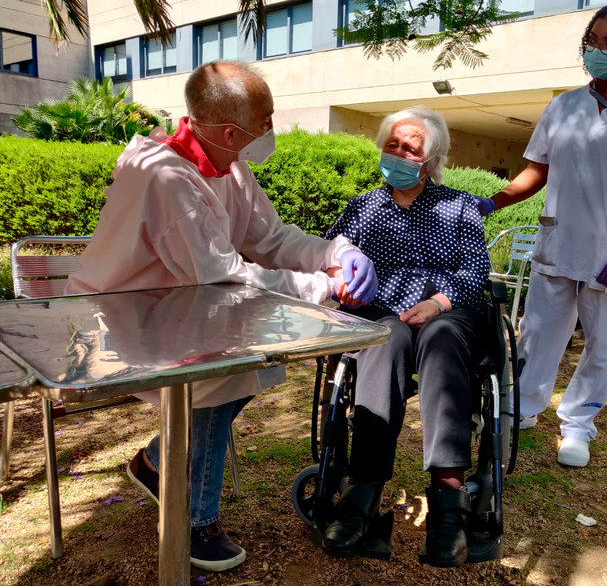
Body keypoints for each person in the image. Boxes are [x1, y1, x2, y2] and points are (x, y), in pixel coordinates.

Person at [64, 61, 377, 572]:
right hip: (115, 321)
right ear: (232, 131)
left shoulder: (230, 165)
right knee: (220, 376)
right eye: (267, 119)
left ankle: (159, 460)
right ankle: (194, 518)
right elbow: (221, 274)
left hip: (179, 308)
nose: (272, 129)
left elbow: (270, 238)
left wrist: (333, 253)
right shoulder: (166, 178)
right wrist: (326, 287)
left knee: (250, 366)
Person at [473, 0, 607, 468]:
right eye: (593, 41)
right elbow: (535, 171)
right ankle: (519, 409)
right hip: (559, 240)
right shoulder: (562, 106)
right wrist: (492, 201)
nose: (598, 51)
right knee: (538, 333)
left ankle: (579, 424)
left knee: (604, 344)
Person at [321, 106, 490, 567]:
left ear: (430, 160)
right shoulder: (362, 207)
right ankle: (363, 491)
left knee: (441, 339)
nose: (397, 154)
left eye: (409, 148)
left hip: (446, 311)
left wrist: (439, 301)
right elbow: (329, 255)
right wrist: (341, 279)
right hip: (383, 311)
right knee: (384, 338)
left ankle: (449, 501)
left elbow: (476, 270)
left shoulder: (460, 207)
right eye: (391, 145)